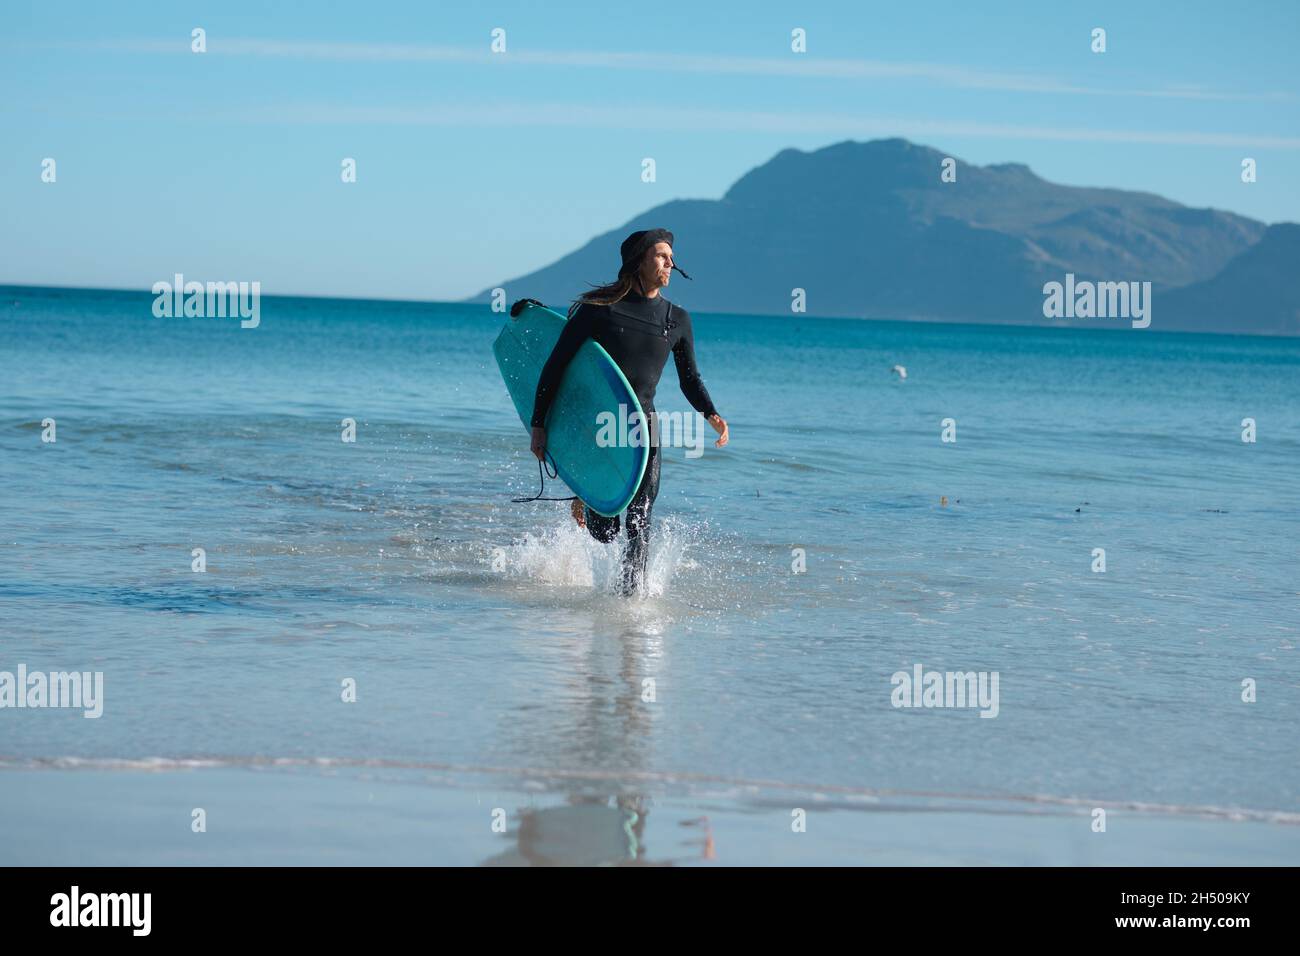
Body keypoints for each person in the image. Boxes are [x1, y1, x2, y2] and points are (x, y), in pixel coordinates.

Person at [526, 229, 728, 595]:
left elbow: (689, 378)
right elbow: (556, 366)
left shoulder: (676, 319)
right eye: (662, 255)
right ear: (638, 261)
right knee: (605, 531)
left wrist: (710, 413)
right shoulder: (599, 311)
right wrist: (539, 424)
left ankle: (628, 603)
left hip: (644, 428)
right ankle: (588, 502)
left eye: (671, 256)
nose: (671, 263)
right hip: (600, 427)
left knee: (640, 518)